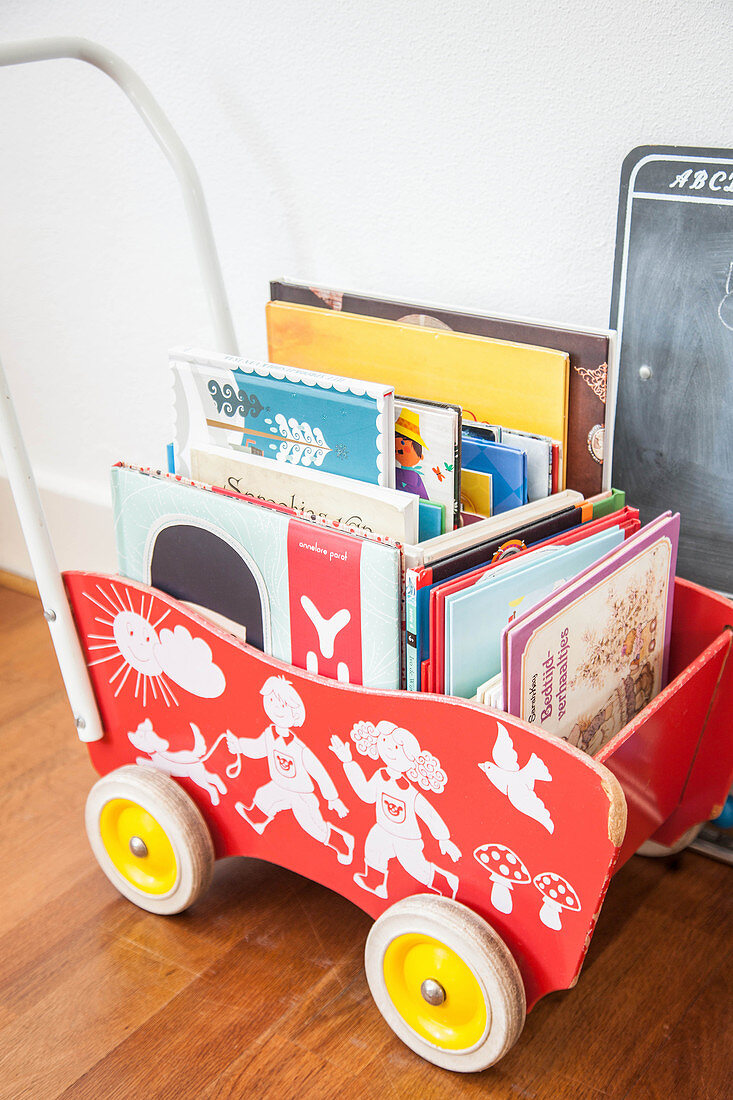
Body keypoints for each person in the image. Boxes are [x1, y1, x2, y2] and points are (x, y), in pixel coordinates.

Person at [227, 675, 354, 864]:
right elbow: (257, 747)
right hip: (280, 784)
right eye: (271, 701)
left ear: (295, 714)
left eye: (283, 706)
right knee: (264, 795)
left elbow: (319, 773)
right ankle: (257, 818)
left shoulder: (300, 748)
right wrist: (239, 745)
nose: (276, 708)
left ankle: (341, 841)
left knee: (312, 825)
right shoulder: (270, 734)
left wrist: (333, 799)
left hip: (301, 794)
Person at [330, 719, 461, 898]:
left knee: (415, 867)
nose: (389, 749)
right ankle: (375, 882)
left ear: (410, 759)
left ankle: (445, 882)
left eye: (397, 748)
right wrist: (349, 763)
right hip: (383, 828)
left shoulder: (411, 792)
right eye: (384, 741)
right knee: (372, 849)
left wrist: (443, 838)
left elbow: (429, 814)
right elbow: (366, 794)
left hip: (407, 837)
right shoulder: (379, 776)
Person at [394, 409, 429, 499]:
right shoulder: (395, 471)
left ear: (421, 457)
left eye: (403, 443)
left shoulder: (414, 477)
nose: (398, 449)